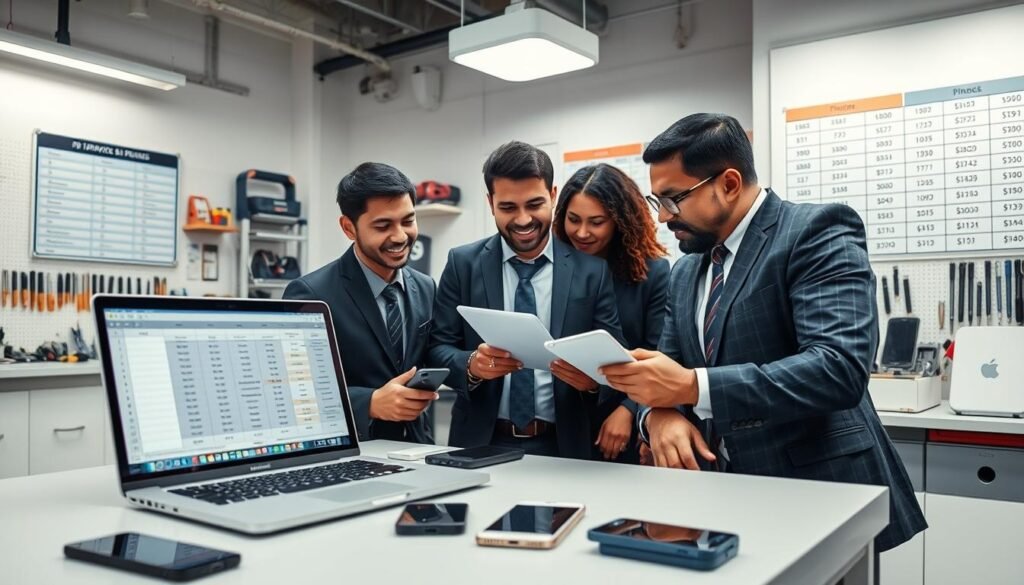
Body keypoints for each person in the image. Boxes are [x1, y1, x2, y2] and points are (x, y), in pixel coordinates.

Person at [601, 113, 926, 554]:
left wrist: (693, 387)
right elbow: (665, 374)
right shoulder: (686, 270)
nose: (662, 217)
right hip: (721, 501)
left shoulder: (816, 230)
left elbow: (838, 369)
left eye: (674, 200)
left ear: (729, 184)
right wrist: (657, 416)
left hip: (817, 491)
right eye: (657, 200)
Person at [428, 141, 624, 459]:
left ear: (553, 196)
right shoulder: (463, 264)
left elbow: (615, 360)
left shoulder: (592, 271)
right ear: (490, 203)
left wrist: (591, 383)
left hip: (564, 445)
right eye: (508, 207)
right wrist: (472, 366)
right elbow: (437, 349)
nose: (522, 220)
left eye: (534, 204)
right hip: (481, 439)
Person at [284, 162, 437, 444]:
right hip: (351, 451)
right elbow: (296, 390)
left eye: (408, 221)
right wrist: (369, 403)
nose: (400, 236)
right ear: (348, 228)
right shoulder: (311, 293)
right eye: (383, 226)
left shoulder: (426, 287)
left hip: (417, 449)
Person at [552, 163, 669, 462]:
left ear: (620, 221)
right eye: (573, 219)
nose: (582, 232)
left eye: (596, 222)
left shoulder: (653, 273)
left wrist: (628, 409)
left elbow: (660, 352)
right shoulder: (555, 267)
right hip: (563, 418)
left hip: (622, 419)